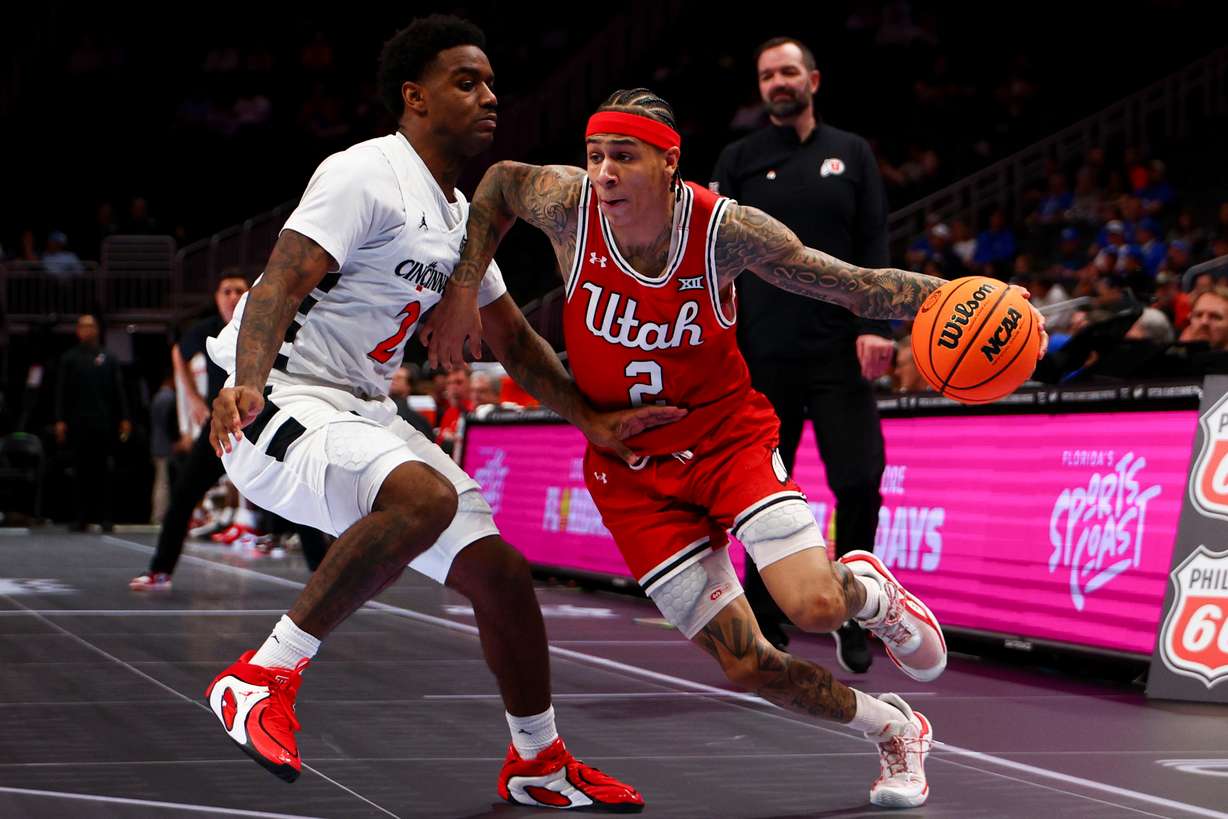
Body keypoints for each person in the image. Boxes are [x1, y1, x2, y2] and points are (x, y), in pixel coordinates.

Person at [426, 88, 1046, 810]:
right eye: (594, 156)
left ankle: (869, 591)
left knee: (813, 606)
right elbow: (498, 180)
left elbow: (854, 286)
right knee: (751, 666)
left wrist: (969, 293)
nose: (603, 173)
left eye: (622, 156)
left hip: (725, 441)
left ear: (669, 161)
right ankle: (896, 729)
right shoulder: (567, 205)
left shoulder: (726, 230)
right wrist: (465, 283)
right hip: (631, 471)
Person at [203, 16, 659, 811]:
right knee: (425, 496)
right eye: (466, 81)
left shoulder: (458, 212)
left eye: (490, 82)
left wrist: (592, 419)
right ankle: (260, 676)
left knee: (503, 573)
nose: (489, 95)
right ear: (414, 98)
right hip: (278, 396)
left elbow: (512, 341)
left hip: (360, 406)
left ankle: (537, 760)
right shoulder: (365, 173)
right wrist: (245, 380)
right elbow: (278, 279)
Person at [710, 36, 893, 667]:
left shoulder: (852, 153)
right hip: (761, 356)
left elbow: (873, 239)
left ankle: (859, 610)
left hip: (841, 351)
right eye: (767, 75)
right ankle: (764, 614)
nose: (778, 82)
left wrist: (880, 326)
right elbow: (714, 258)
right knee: (764, 491)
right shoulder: (739, 158)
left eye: (788, 72)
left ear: (813, 78)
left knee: (861, 480)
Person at [54, 314, 130, 531]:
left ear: (97, 330)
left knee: (104, 471)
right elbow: (61, 391)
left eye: (91, 326)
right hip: (78, 424)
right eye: (83, 326)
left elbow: (119, 390)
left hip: (104, 423)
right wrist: (60, 420)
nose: (87, 330)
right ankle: (81, 518)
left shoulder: (108, 357)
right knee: (80, 471)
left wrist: (124, 418)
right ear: (78, 331)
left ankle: (106, 517)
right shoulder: (69, 359)